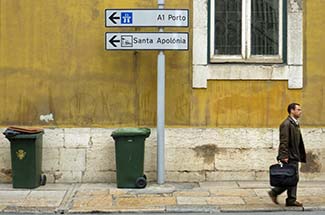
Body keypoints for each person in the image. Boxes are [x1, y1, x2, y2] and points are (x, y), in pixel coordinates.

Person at [268, 103, 306, 206]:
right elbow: (284, 141)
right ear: (292, 111)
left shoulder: (294, 123)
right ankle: (277, 193)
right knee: (292, 178)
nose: (300, 111)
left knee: (293, 177)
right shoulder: (286, 124)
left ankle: (290, 199)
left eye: (300, 109)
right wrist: (283, 156)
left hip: (294, 155)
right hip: (289, 156)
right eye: (298, 109)